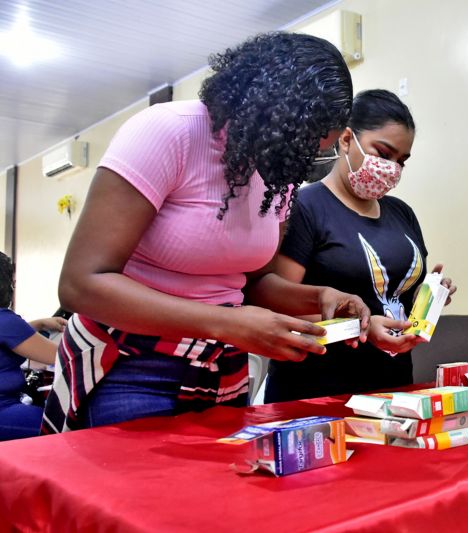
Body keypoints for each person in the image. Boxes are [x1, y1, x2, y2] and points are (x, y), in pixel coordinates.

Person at [42, 32, 370, 434]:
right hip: (133, 362)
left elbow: (251, 285)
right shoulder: (167, 132)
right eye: (299, 144)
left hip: (223, 369)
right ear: (267, 113)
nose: (302, 162)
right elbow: (81, 284)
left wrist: (317, 297)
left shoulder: (278, 167)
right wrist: (225, 323)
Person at [264, 89, 456, 402]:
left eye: (401, 162)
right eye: (383, 153)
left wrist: (429, 298)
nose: (391, 168)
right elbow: (278, 307)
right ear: (346, 140)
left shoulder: (401, 213)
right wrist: (361, 329)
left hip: (391, 387)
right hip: (317, 392)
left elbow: (392, 299)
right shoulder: (305, 207)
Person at [0, 252, 64, 440]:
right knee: (68, 427)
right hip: (4, 409)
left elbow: (11, 335)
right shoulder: (6, 321)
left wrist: (40, 324)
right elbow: (63, 355)